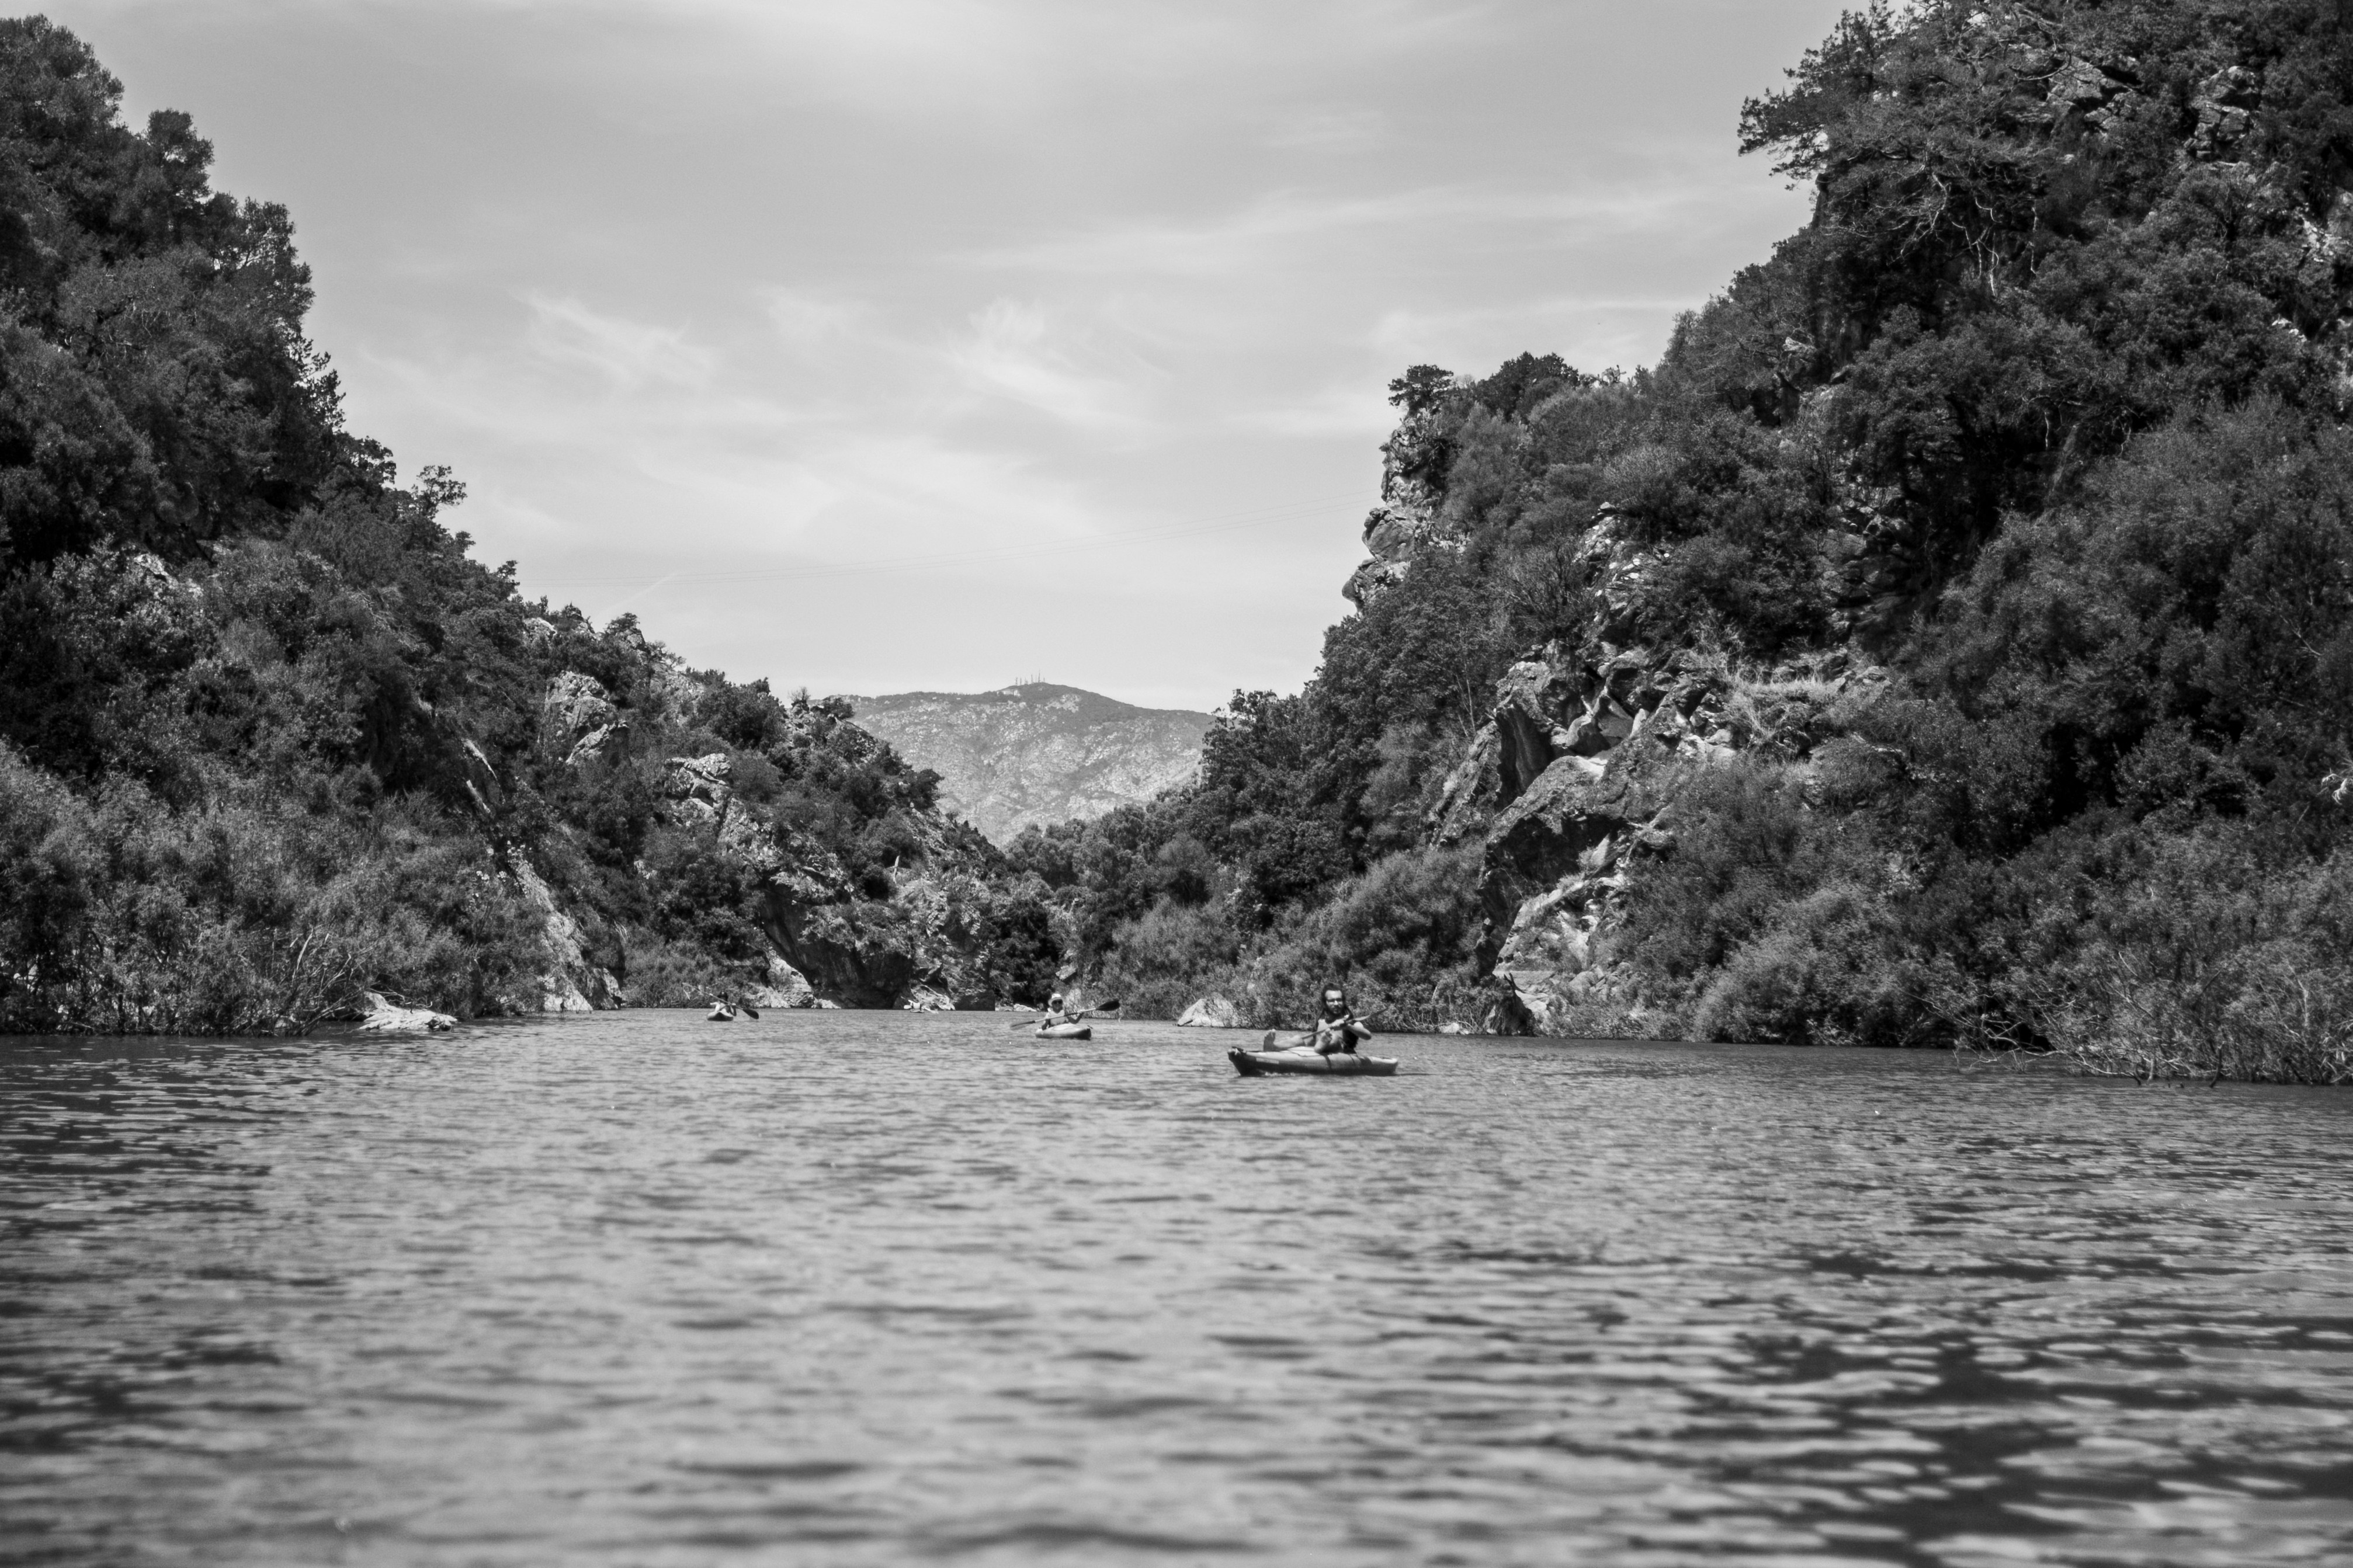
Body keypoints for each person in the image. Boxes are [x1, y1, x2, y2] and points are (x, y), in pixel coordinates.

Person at [1311, 984, 1372, 1056]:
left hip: (1343, 1056)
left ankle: (1324, 1043)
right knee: (1297, 1039)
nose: (1336, 1004)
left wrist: (1347, 1026)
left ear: (1343, 1002)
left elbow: (1368, 1036)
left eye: (1339, 1000)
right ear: (1325, 1003)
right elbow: (1311, 1042)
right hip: (1320, 1057)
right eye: (1332, 1001)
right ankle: (1322, 1044)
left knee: (1334, 1038)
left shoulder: (1350, 1022)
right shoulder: (1320, 1022)